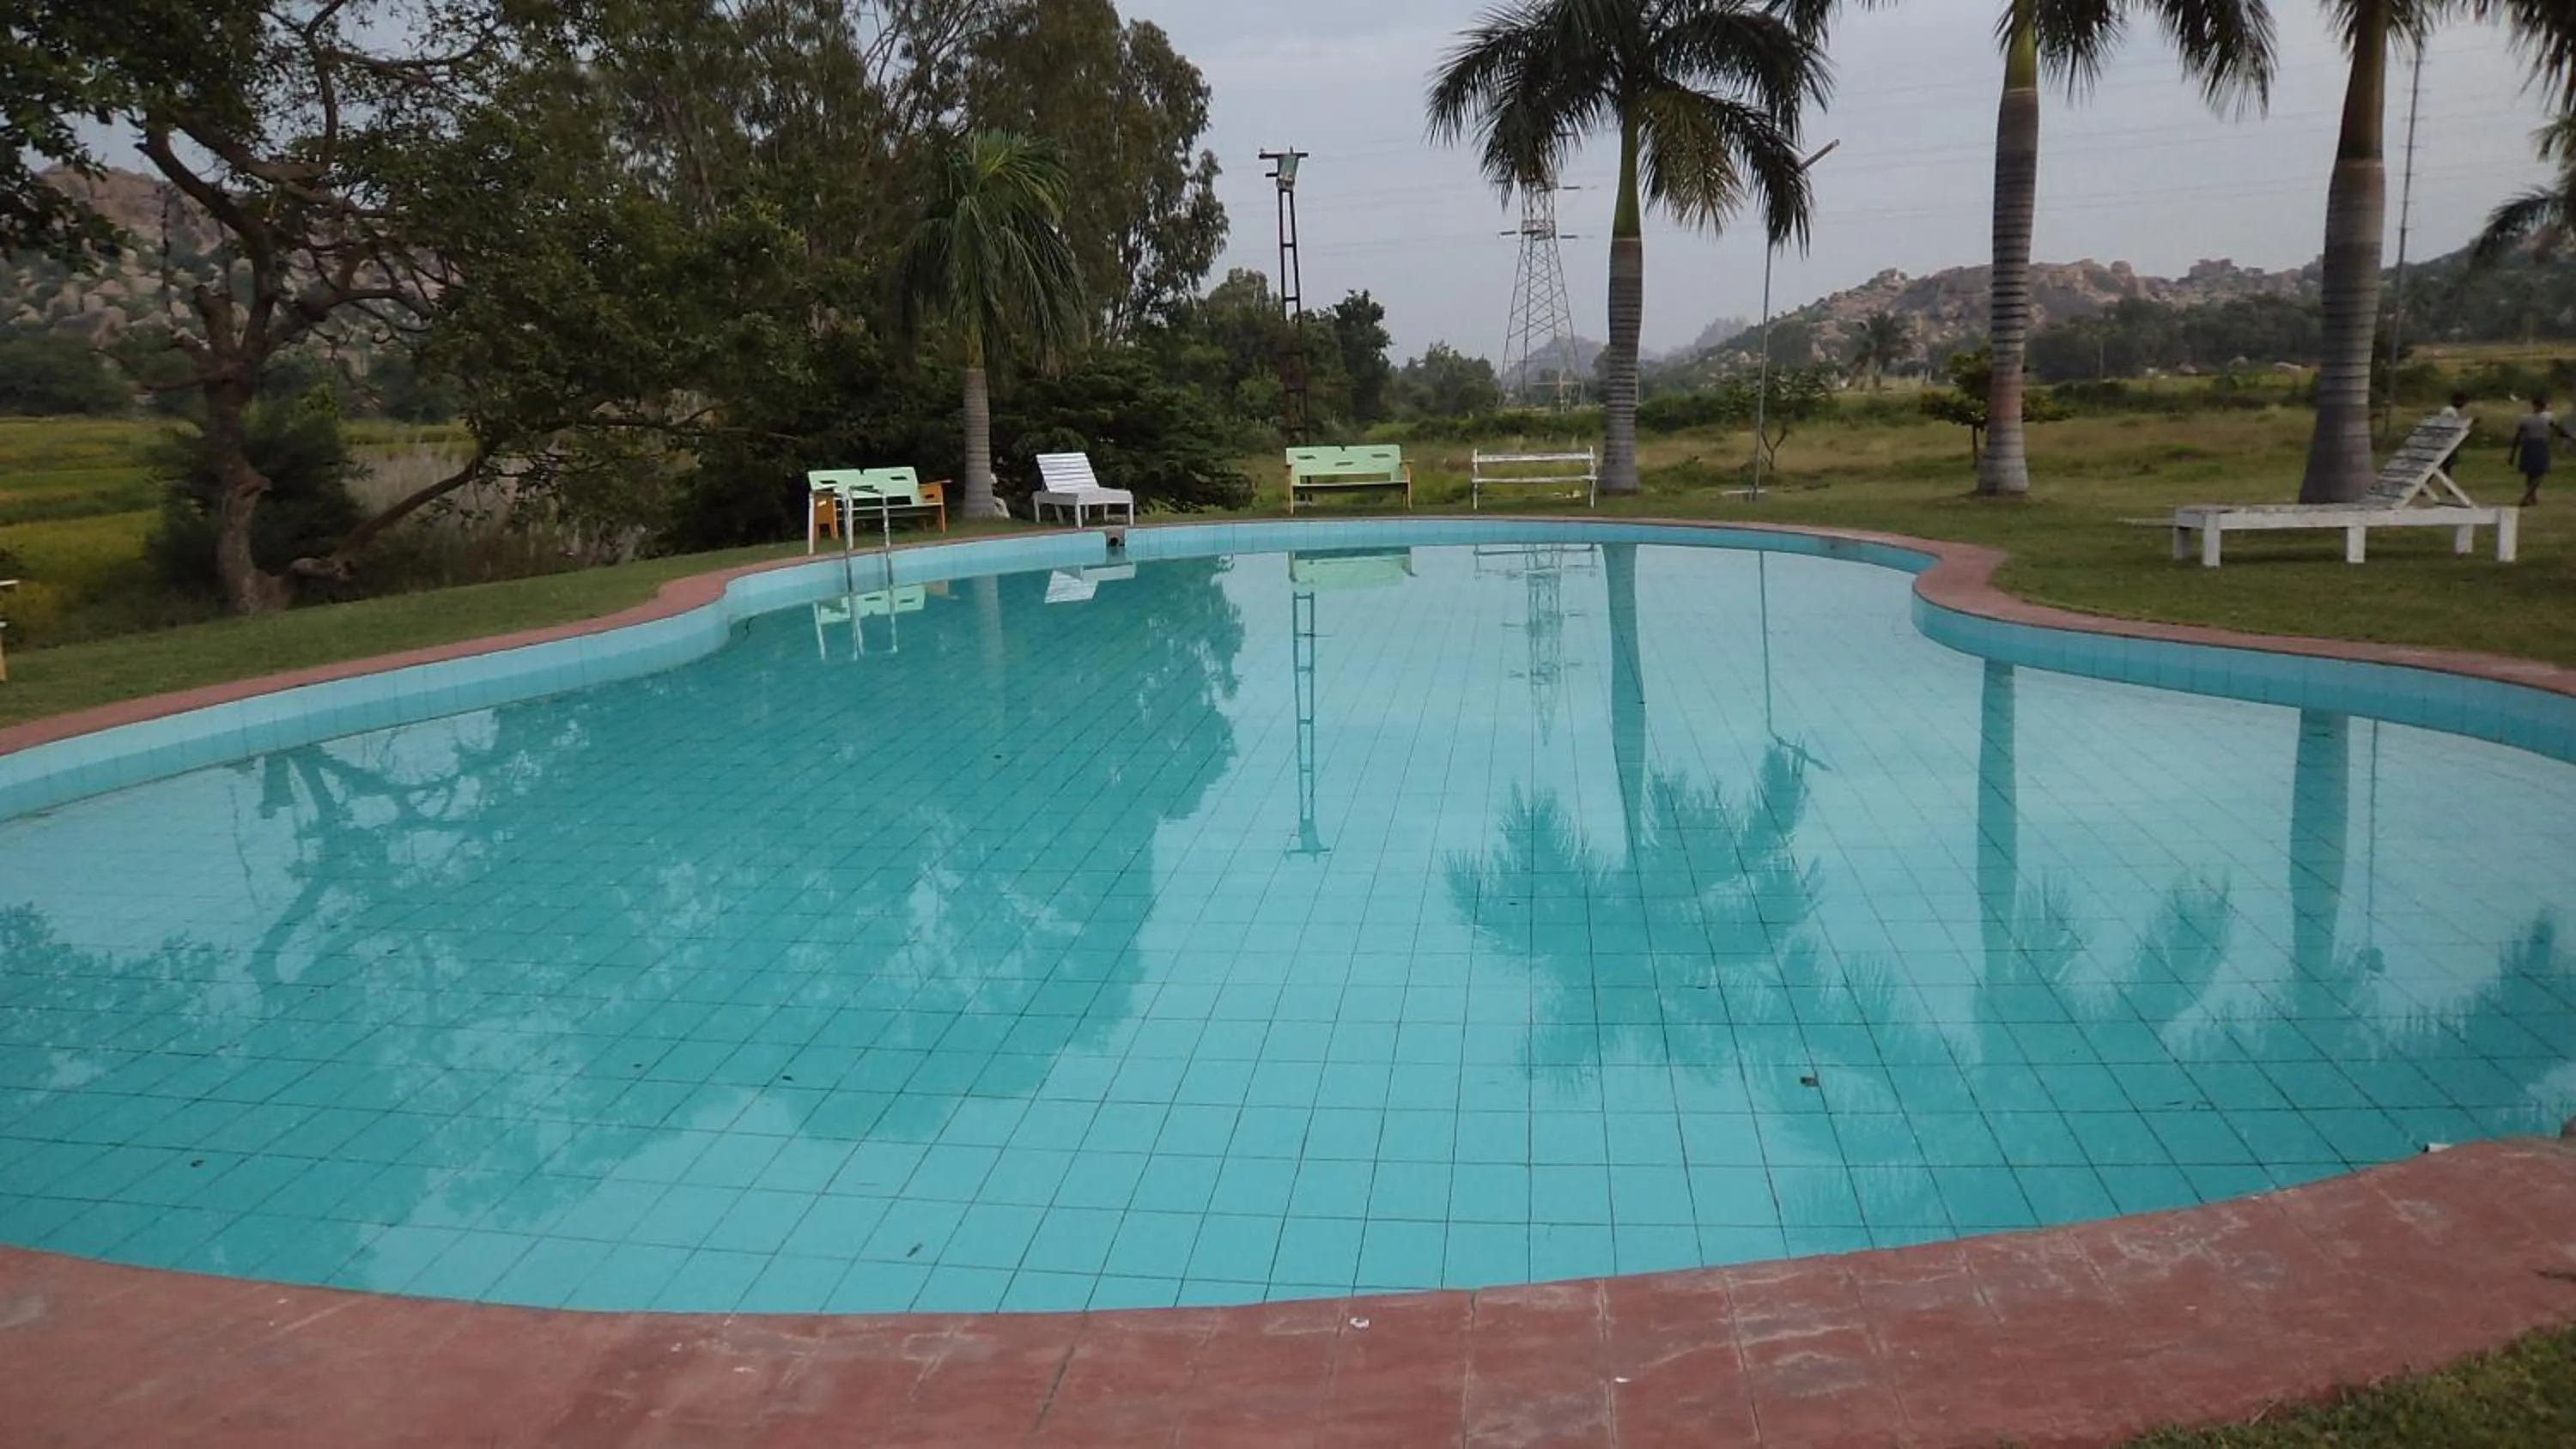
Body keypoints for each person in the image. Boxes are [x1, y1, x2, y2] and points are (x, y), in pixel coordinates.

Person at [2508, 395, 2576, 506]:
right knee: (2540, 472)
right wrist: (2570, 438)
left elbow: (2518, 436)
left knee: (2532, 473)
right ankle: (2527, 496)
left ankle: (2532, 497)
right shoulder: (2547, 417)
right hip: (2540, 444)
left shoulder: (2526, 418)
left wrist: (2513, 453)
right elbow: (2559, 430)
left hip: (2529, 444)